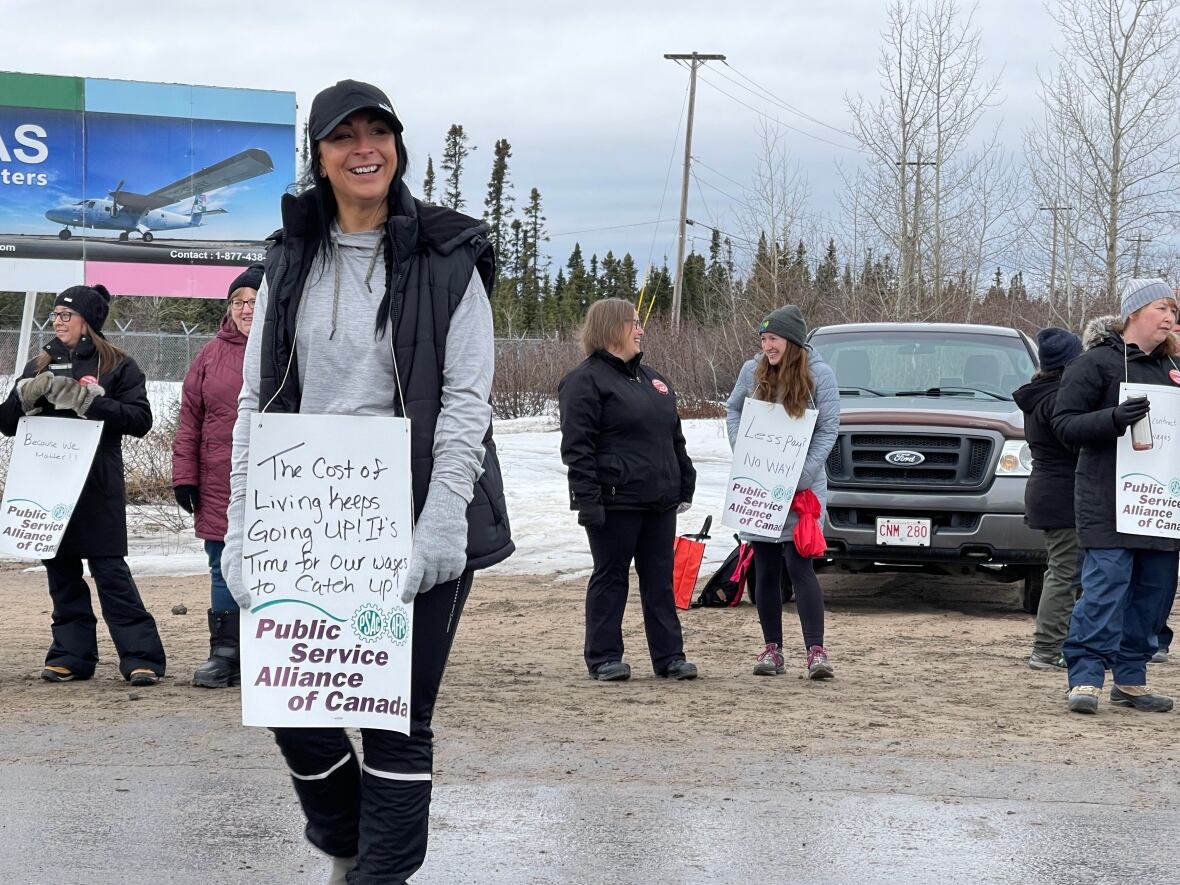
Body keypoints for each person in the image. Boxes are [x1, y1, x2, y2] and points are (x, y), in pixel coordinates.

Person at [221, 80, 513, 885]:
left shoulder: (449, 258)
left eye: (378, 131)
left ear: (397, 145)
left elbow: (464, 403)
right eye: (343, 135)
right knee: (288, 704)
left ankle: (378, 874)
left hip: (416, 512)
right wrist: (244, 526)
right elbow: (255, 401)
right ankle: (349, 839)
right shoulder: (287, 261)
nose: (364, 148)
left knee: (396, 720)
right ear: (318, 157)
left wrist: (443, 518)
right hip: (308, 518)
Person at [0, 284, 163, 686]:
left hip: (96, 484)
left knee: (110, 572)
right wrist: (24, 398)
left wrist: (91, 403)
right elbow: (5, 424)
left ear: (88, 320)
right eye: (54, 314)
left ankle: (141, 657)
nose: (57, 321)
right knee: (62, 573)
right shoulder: (40, 362)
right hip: (48, 485)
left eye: (65, 314)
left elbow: (141, 421)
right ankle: (71, 656)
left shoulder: (119, 365)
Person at [1052, 278, 1180, 714]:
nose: (1170, 318)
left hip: (1159, 507)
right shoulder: (1095, 365)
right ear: (1134, 312)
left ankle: (1130, 680)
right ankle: (1085, 678)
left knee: (1153, 595)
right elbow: (1064, 426)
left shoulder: (1172, 369)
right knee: (1105, 590)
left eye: (1173, 312)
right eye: (1162, 308)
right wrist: (1112, 419)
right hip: (1107, 503)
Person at [558, 297, 699, 683]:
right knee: (611, 576)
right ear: (611, 328)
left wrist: (684, 478)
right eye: (634, 323)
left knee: (659, 578)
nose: (641, 329)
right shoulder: (584, 381)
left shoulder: (654, 381)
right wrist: (588, 501)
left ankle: (669, 657)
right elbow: (577, 450)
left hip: (658, 500)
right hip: (614, 502)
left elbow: (674, 436)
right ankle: (604, 657)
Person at [726, 305, 839, 678]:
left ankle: (816, 652)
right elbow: (734, 411)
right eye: (763, 339)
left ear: (792, 340)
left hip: (800, 490)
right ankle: (772, 648)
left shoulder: (820, 375)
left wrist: (801, 475)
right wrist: (744, 453)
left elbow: (828, 430)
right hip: (760, 486)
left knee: (799, 564)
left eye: (772, 339)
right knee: (766, 567)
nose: (767, 346)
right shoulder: (752, 371)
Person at [171, 264, 261, 688]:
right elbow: (190, 420)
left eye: (255, 301)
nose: (246, 309)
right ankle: (225, 653)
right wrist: (184, 476)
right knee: (223, 564)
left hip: (280, 479)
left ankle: (271, 651)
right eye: (238, 301)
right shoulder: (209, 354)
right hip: (220, 480)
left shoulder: (295, 348)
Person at [1013, 328, 1083, 671]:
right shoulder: (1059, 398)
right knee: (1065, 572)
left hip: (1048, 492)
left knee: (1065, 570)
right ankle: (1046, 648)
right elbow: (1074, 442)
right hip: (1061, 495)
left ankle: (1057, 644)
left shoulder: (1039, 394)